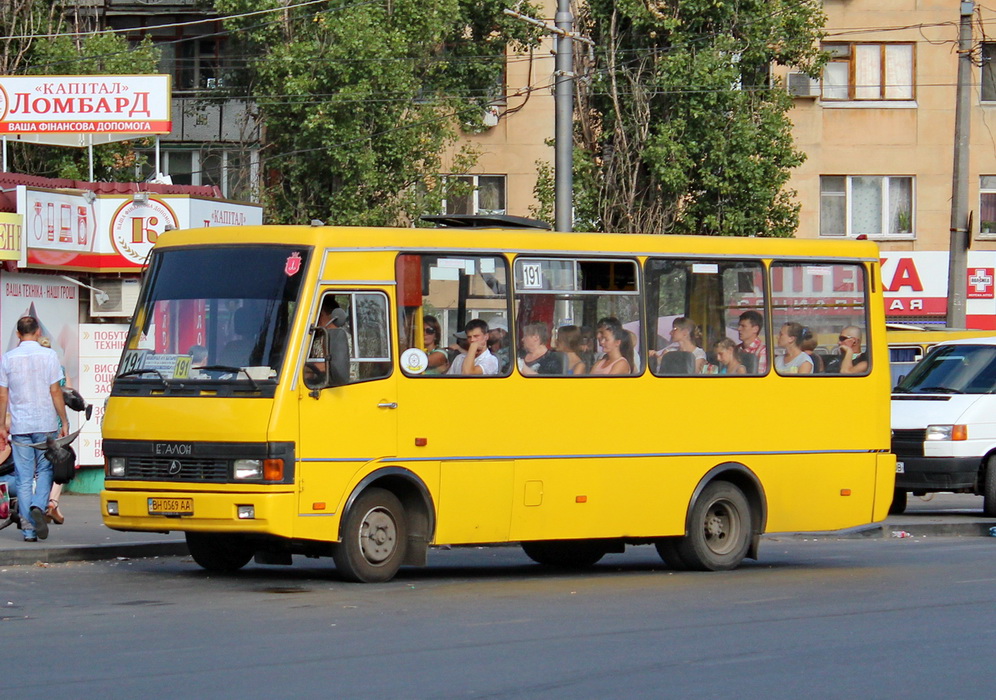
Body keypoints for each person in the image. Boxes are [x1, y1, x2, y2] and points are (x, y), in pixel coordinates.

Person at [0, 316, 69, 542]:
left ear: (19, 334)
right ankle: (39, 506)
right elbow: (56, 391)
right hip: (45, 424)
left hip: (20, 427)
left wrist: (2, 425)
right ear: (38, 331)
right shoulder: (49, 356)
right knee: (46, 471)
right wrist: (64, 420)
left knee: (23, 478)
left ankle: (28, 530)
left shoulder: (7, 358)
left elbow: (3, 395)